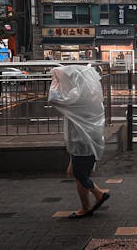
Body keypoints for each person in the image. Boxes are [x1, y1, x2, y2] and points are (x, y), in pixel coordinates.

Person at [48, 65, 110, 219]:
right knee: (74, 172)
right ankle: (87, 205)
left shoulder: (78, 95)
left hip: (82, 141)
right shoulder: (90, 92)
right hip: (85, 139)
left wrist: (55, 81)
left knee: (79, 174)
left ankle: (97, 196)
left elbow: (53, 98)